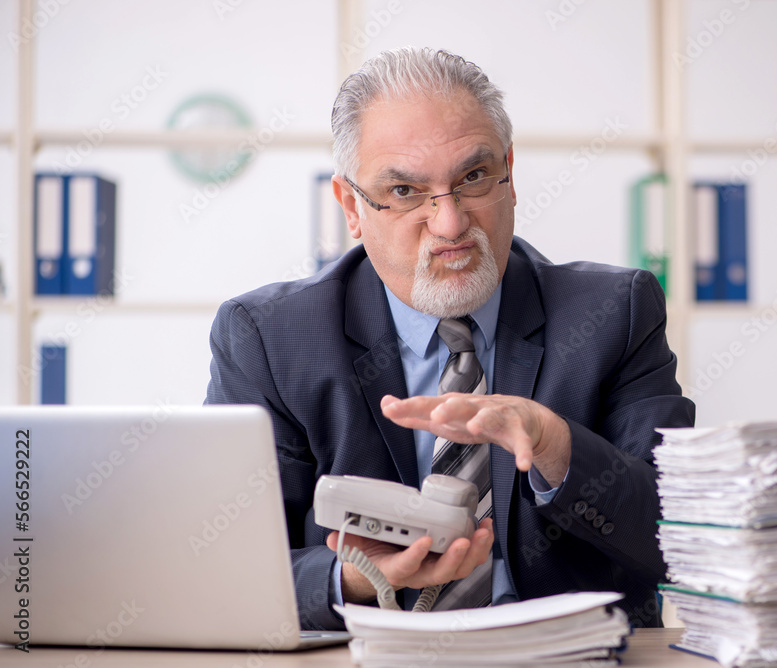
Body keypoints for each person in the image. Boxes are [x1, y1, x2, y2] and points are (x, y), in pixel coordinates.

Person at [205, 46, 695, 630]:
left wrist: (553, 445)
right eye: (406, 192)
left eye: (473, 177)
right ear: (351, 207)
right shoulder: (268, 339)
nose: (451, 223)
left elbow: (681, 537)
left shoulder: (617, 313)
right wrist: (361, 576)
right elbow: (220, 571)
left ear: (510, 175)